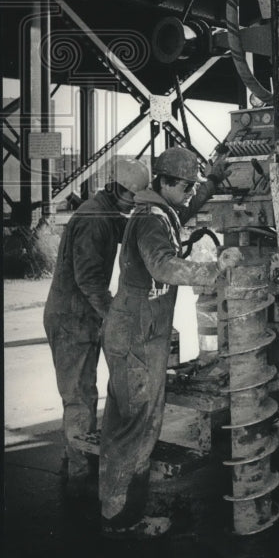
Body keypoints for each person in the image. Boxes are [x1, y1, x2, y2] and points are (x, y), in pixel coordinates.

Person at [99, 146, 242, 539]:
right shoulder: (151, 221)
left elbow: (186, 208)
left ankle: (116, 510)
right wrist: (215, 269)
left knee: (126, 423)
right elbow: (163, 264)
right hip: (137, 339)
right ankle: (124, 520)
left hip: (137, 333)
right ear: (166, 183)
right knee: (136, 428)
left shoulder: (156, 210)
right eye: (187, 186)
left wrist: (212, 181)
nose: (189, 193)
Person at [43, 158, 150, 498]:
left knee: (85, 395)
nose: (134, 203)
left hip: (82, 315)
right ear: (115, 188)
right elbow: (88, 280)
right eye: (131, 196)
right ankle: (78, 476)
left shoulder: (107, 212)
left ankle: (74, 456)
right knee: (79, 397)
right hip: (70, 318)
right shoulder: (93, 219)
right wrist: (113, 315)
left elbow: (131, 233)